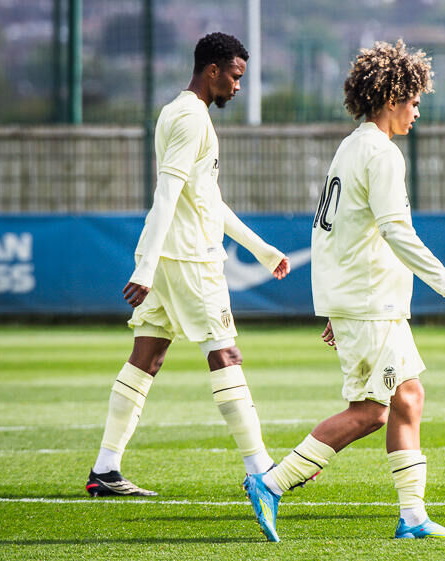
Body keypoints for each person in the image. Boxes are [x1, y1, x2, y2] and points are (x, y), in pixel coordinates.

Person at [243, 39, 445, 542]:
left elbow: (327, 233)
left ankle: (412, 517)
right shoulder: (381, 154)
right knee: (372, 412)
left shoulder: (352, 146)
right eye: (414, 101)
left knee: (408, 398)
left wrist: (331, 304)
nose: (417, 111)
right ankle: (272, 482)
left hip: (366, 302)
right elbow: (396, 231)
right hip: (371, 303)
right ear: (392, 99)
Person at [85, 32, 290, 497]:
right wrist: (144, 269)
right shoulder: (192, 119)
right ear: (212, 70)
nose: (238, 86)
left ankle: (105, 469)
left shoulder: (177, 111)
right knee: (225, 355)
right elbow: (167, 194)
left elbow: (205, 199)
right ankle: (261, 467)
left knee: (147, 357)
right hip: (190, 259)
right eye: (234, 76)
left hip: (167, 256)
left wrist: (261, 249)